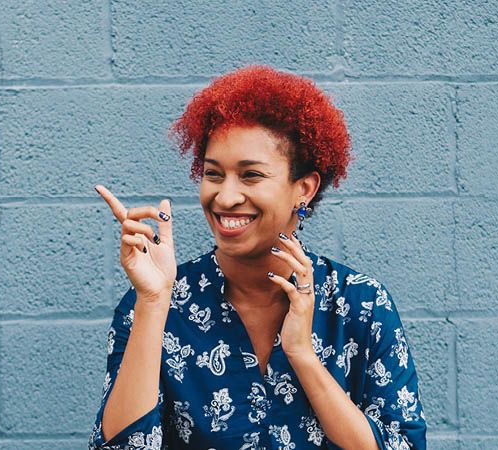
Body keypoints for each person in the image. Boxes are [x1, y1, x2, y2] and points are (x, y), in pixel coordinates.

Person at [88, 65, 427, 450]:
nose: (226, 197)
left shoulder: (360, 305)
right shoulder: (154, 305)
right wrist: (152, 302)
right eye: (214, 175)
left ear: (304, 188)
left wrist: (303, 355)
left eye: (250, 176)